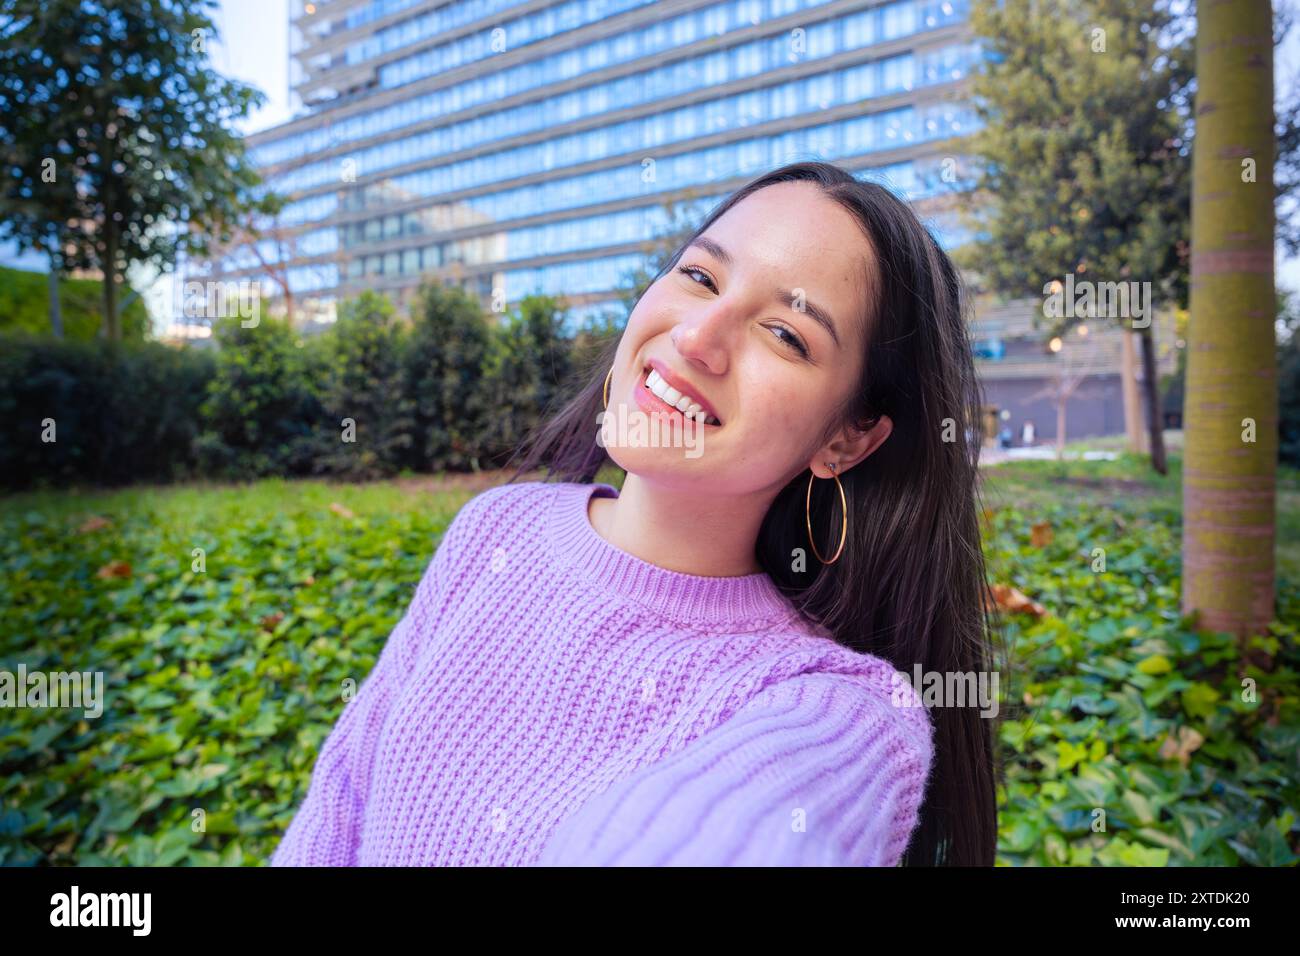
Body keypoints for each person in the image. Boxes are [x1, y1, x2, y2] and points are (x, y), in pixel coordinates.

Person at [270, 161, 1001, 868]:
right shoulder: (497, 529)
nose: (697, 337)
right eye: (699, 276)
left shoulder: (840, 712)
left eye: (785, 334)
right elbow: (343, 793)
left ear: (846, 439)